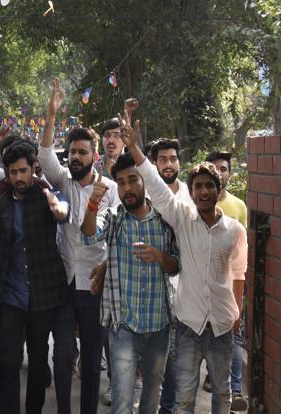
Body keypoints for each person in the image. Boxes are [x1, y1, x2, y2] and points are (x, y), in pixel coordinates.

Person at [121, 116, 247, 414]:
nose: (203, 192)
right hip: (188, 325)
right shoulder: (183, 219)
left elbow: (239, 273)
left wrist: (237, 312)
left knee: (222, 395)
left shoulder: (234, 230)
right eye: (198, 187)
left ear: (219, 189)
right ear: (191, 192)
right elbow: (155, 184)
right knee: (184, 398)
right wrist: (135, 149)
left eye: (209, 186)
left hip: (221, 326)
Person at [38, 78, 119, 414]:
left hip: (94, 285)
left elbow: (106, 233)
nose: (74, 156)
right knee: (62, 354)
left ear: (94, 156)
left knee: (90, 358)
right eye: (71, 151)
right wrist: (51, 115)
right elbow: (44, 156)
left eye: (81, 152)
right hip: (64, 281)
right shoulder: (63, 180)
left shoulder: (110, 190)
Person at [81, 153, 180, 414]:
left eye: (133, 180)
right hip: (124, 325)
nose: (127, 188)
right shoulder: (114, 217)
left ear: (144, 180)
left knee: (150, 397)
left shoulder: (164, 219)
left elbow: (177, 265)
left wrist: (160, 257)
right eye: (121, 182)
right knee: (122, 400)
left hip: (159, 324)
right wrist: (93, 203)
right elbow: (89, 236)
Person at [0, 141, 70, 414]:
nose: (18, 177)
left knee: (39, 363)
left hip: (43, 295)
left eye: (23, 171)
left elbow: (64, 214)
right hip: (10, 296)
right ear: (6, 171)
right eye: (13, 171)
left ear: (33, 169)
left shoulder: (46, 196)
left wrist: (57, 206)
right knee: (9, 362)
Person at [147, 138, 194, 414]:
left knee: (179, 360)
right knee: (156, 362)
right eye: (163, 159)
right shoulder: (146, 197)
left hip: (185, 287)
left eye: (173, 158)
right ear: (154, 164)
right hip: (153, 286)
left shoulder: (191, 194)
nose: (168, 164)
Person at [205, 151, 248, 411]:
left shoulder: (240, 206)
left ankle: (235, 390)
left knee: (235, 335)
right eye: (216, 168)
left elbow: (243, 248)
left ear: (229, 173)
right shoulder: (196, 204)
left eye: (224, 168)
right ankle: (217, 379)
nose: (220, 173)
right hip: (207, 287)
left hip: (233, 283)